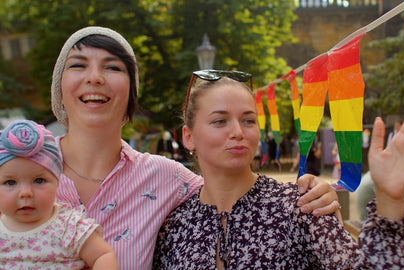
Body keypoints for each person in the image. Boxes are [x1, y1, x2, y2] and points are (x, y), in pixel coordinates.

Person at [50, 26, 340, 269]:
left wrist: (316, 193)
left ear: (131, 94)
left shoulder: (164, 179)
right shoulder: (12, 166)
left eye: (112, 67)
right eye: (78, 65)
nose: (95, 77)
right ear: (59, 88)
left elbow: (225, 185)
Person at [152, 70, 404, 269]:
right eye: (220, 121)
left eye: (249, 120)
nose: (238, 131)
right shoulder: (173, 225)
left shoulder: (302, 205)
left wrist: (390, 199)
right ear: (188, 136)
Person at [0, 120, 118, 269]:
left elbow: (103, 255)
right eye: (10, 183)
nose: (26, 193)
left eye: (39, 180)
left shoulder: (68, 226)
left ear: (57, 182)